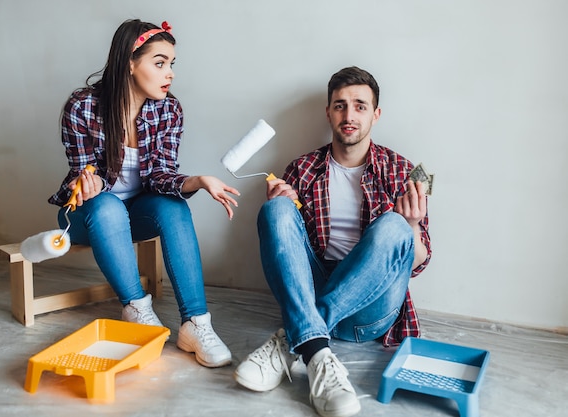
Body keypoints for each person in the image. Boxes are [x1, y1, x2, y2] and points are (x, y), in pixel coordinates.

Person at [234, 66, 431, 416]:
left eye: (359, 105)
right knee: (275, 209)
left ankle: (293, 340)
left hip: (369, 310)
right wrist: (284, 205)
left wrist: (412, 225)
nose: (349, 115)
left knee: (395, 227)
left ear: (376, 114)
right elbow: (290, 254)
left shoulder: (402, 171)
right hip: (312, 289)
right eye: (340, 105)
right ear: (328, 112)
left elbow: (416, 262)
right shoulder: (303, 169)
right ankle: (316, 350)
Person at [48, 19, 239, 368]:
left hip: (134, 215)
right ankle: (136, 307)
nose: (170, 73)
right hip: (84, 215)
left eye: (171, 64)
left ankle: (196, 324)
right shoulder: (83, 107)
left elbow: (159, 177)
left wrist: (196, 181)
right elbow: (81, 170)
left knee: (173, 207)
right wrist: (85, 182)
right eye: (160, 62)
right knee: (105, 205)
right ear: (130, 63)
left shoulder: (169, 110)